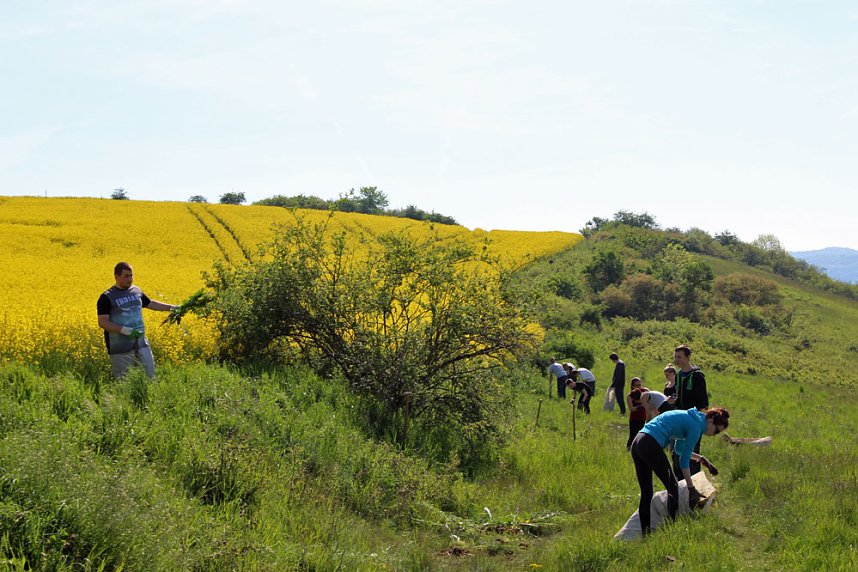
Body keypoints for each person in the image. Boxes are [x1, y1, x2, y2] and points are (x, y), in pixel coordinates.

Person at [630, 407, 729, 535]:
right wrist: (691, 488)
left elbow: (679, 451)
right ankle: (672, 532)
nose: (714, 435)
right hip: (650, 443)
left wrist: (701, 459)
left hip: (638, 442)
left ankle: (646, 535)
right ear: (710, 420)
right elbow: (684, 462)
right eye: (716, 431)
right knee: (673, 488)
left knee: (647, 493)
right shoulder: (696, 428)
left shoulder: (692, 418)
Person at [97, 262, 177, 378]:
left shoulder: (136, 291)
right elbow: (102, 322)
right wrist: (125, 330)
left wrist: (173, 308)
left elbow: (151, 304)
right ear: (116, 277)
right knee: (123, 380)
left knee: (150, 375)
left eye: (131, 275)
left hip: (141, 342)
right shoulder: (106, 297)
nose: (130, 279)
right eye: (126, 276)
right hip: (120, 347)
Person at [671, 344, 709, 476]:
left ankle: (694, 486)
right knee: (676, 453)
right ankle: (679, 485)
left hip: (693, 421)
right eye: (675, 357)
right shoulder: (678, 375)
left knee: (691, 454)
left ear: (688, 357)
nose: (677, 360)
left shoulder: (697, 376)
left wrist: (699, 424)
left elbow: (703, 403)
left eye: (680, 357)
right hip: (679, 421)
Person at [626, 378, 649, 449]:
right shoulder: (630, 396)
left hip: (644, 417)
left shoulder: (645, 391)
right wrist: (642, 405)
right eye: (637, 385)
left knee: (644, 435)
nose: (639, 387)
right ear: (632, 386)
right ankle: (629, 448)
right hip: (634, 418)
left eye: (640, 384)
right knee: (633, 435)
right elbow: (632, 409)